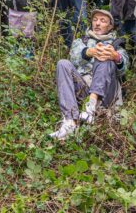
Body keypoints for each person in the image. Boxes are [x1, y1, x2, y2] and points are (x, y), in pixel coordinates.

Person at [49, 9, 129, 140]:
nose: (97, 23)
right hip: (84, 89)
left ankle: (91, 107)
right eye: (95, 20)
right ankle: (70, 122)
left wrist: (115, 56)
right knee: (63, 63)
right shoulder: (82, 41)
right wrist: (89, 52)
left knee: (105, 57)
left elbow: (124, 68)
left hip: (107, 94)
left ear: (110, 27)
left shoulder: (117, 46)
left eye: (103, 21)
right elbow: (73, 58)